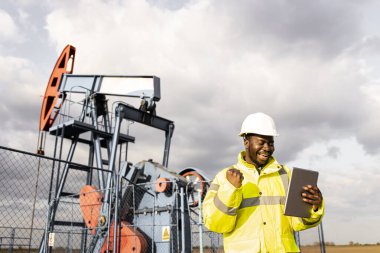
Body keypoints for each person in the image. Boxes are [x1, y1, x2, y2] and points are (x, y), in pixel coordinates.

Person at [202, 112, 324, 253]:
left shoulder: (287, 175)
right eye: (261, 142)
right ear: (246, 142)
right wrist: (230, 190)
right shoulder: (224, 177)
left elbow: (299, 224)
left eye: (270, 143)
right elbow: (216, 224)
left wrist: (315, 206)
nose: (267, 148)